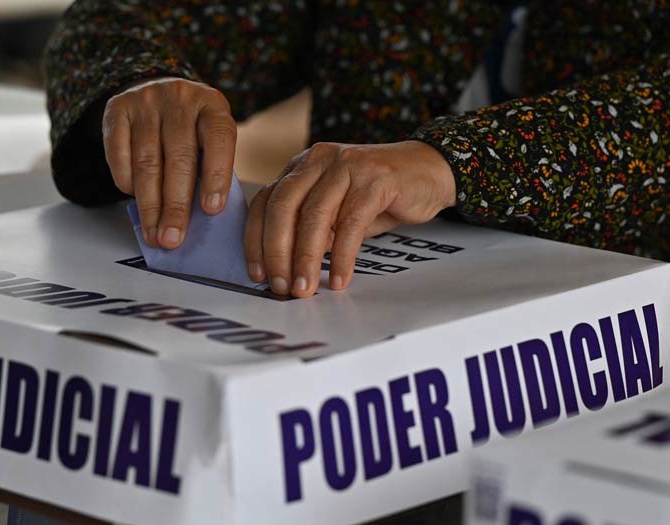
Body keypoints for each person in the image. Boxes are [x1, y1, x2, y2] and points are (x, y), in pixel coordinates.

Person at [44, 1, 668, 301]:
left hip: (618, 358)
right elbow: (119, 18)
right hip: (348, 348)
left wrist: (451, 162)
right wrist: (144, 81)